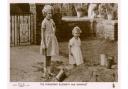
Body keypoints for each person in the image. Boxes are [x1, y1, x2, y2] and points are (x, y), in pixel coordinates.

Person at [40, 5, 59, 78]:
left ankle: (49, 71)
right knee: (45, 57)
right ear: (45, 13)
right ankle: (45, 73)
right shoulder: (44, 22)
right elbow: (42, 34)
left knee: (50, 56)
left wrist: (54, 28)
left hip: (51, 40)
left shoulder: (51, 20)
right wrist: (44, 44)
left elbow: (54, 29)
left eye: (51, 13)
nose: (50, 15)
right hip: (46, 41)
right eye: (48, 13)